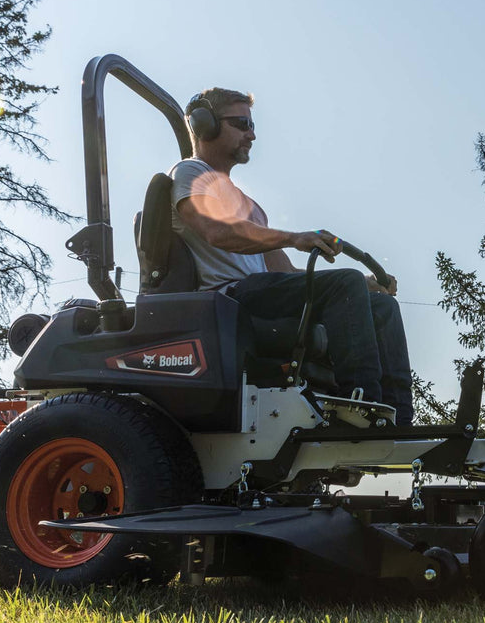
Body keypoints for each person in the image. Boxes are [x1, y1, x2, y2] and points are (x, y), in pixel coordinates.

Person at [169, 87, 412, 424]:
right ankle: (360, 406)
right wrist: (296, 237)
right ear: (204, 125)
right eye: (241, 123)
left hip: (259, 291)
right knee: (343, 283)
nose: (251, 134)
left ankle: (398, 417)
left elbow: (289, 276)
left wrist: (366, 286)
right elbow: (216, 231)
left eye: (252, 125)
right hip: (228, 299)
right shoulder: (189, 174)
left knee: (382, 306)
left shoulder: (248, 205)